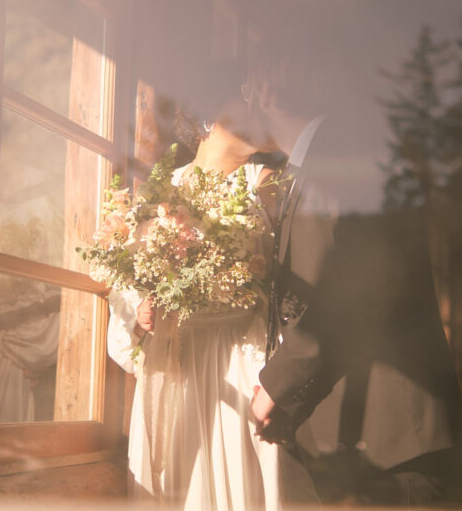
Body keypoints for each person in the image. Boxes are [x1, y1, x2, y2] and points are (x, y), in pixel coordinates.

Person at [246, 53, 462, 505]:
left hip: (391, 445)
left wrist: (277, 386)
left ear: (267, 92)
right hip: (348, 441)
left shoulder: (348, 152)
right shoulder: (313, 163)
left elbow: (354, 288)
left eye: (246, 93)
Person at [107, 89, 317, 510]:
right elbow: (125, 285)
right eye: (243, 99)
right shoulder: (162, 191)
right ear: (208, 118)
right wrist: (140, 313)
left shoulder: (271, 186)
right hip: (177, 363)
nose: (259, 109)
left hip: (246, 361)